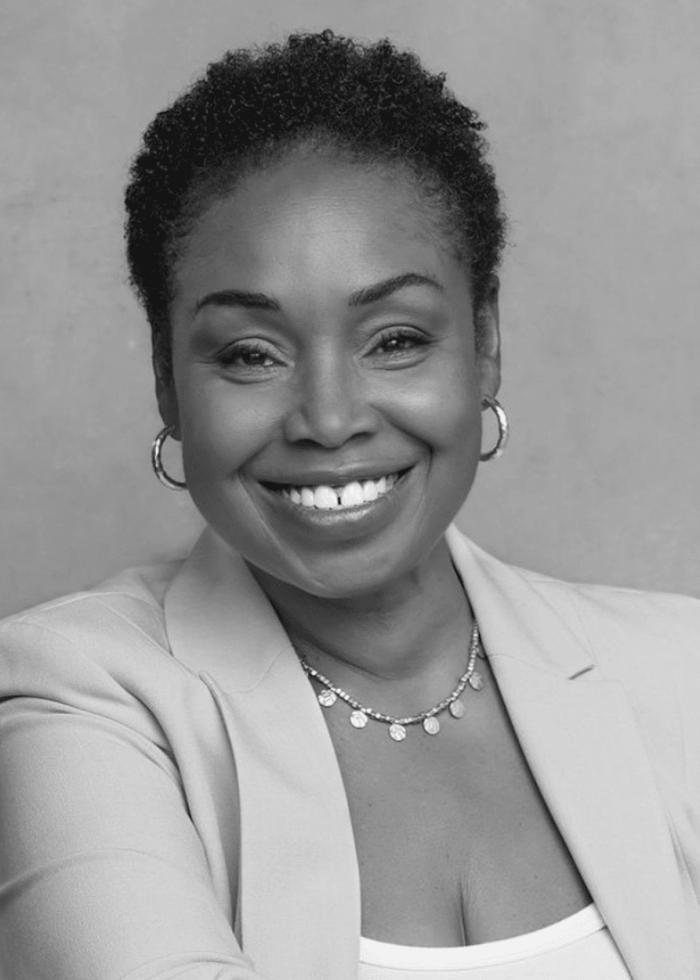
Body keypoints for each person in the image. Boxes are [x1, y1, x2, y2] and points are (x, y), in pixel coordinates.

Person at [0, 29, 698, 980]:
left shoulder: (681, 675)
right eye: (251, 353)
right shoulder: (79, 699)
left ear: (484, 343)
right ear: (168, 380)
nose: (328, 419)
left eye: (397, 338)